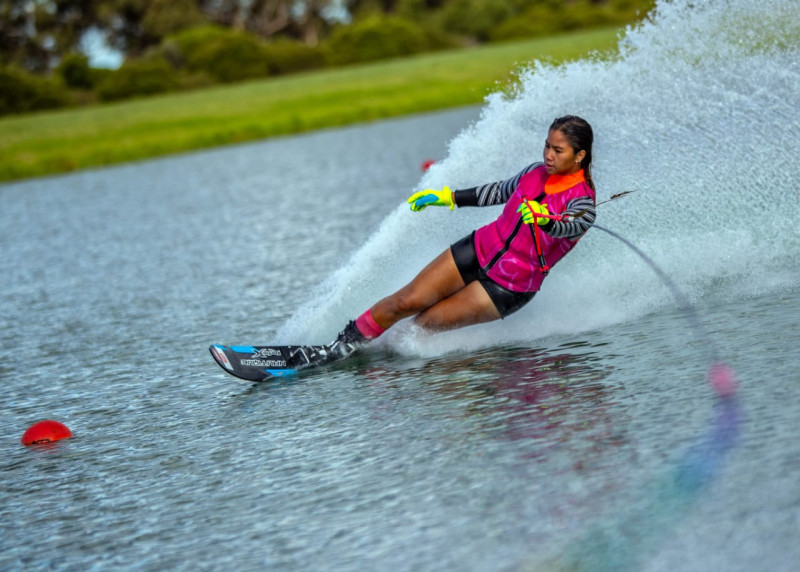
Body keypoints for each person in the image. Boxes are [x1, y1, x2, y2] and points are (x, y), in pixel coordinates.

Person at [295, 115, 597, 368]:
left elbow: (571, 225)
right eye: (546, 146)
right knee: (405, 301)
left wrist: (544, 218)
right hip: (478, 248)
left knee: (423, 325)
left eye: (558, 150)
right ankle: (336, 348)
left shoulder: (583, 200)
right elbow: (495, 192)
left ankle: (377, 361)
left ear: (579, 155)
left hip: (508, 286)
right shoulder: (534, 172)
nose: (548, 155)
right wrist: (446, 198)